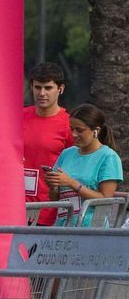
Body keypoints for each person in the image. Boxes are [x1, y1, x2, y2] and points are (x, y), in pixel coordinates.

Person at [48, 105, 122, 222]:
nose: (74, 134)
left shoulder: (109, 157)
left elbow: (105, 199)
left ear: (96, 131)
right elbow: (54, 200)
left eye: (79, 130)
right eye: (71, 129)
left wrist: (72, 183)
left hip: (91, 229)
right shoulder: (66, 153)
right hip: (63, 226)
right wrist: (53, 185)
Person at [25, 62, 76, 224]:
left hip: (48, 208)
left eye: (48, 88)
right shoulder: (16, 116)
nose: (42, 93)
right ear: (31, 87)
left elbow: (77, 168)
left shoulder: (70, 124)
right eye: (37, 87)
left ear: (60, 89)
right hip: (12, 205)